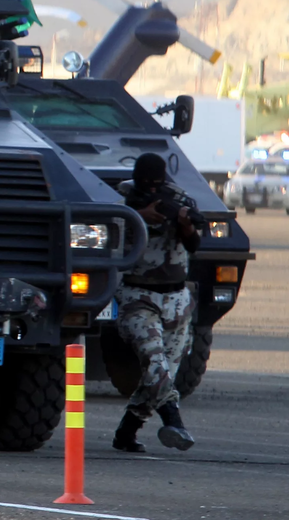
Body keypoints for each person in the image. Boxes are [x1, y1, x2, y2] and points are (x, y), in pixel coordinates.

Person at [113, 152, 202, 453]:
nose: (152, 191)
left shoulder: (180, 198)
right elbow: (107, 231)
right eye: (146, 185)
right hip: (137, 296)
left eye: (157, 185)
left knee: (164, 372)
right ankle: (174, 421)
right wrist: (138, 215)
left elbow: (195, 245)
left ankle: (127, 431)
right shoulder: (119, 198)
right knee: (154, 362)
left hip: (177, 299)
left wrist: (187, 226)